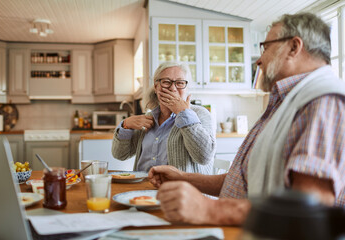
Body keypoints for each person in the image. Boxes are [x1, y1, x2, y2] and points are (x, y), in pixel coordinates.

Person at [148, 12, 345, 225]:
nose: (259, 60)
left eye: (266, 47)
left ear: (294, 47)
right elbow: (244, 181)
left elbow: (309, 207)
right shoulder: (290, 103)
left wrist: (210, 209)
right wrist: (182, 178)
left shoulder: (324, 101)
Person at [112, 61, 216, 174]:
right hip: (143, 187)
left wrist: (184, 113)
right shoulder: (148, 118)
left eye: (180, 83)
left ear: (187, 88)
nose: (173, 88)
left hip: (182, 190)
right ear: (156, 87)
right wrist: (125, 125)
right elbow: (120, 155)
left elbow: (204, 157)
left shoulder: (201, 114)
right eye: (166, 82)